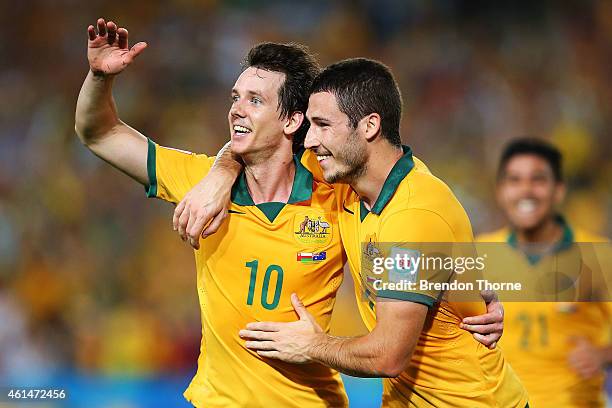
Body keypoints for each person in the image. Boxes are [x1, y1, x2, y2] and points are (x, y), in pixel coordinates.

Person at [75, 18, 501, 407]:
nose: (237, 109)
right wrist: (99, 77)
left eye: (255, 100)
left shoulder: (337, 190)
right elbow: (100, 132)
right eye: (235, 97)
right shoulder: (200, 182)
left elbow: (417, 224)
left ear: (293, 120)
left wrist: (483, 289)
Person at [177, 59, 528, 407]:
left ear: (369, 126)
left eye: (322, 125)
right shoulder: (349, 182)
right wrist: (221, 173)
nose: (310, 141)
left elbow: (388, 356)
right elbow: (260, 143)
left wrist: (311, 345)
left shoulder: (411, 215)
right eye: (309, 125)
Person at [477, 138, 611, 407]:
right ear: (501, 191)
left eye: (537, 179)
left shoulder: (600, 256)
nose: (526, 190)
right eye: (514, 180)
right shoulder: (479, 254)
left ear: (558, 190)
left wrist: (603, 354)